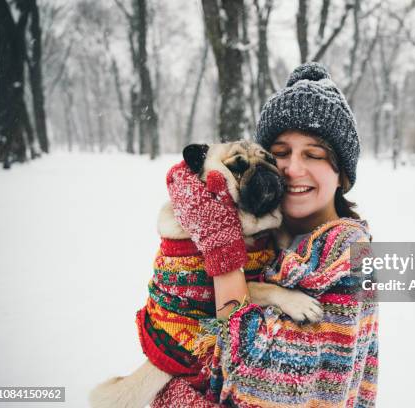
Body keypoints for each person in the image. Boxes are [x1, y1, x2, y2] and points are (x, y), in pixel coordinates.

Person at [154, 62, 379, 407]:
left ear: (342, 175)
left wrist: (221, 248)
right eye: (280, 154)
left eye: (314, 154)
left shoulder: (349, 256)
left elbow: (261, 384)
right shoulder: (275, 239)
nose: (292, 169)